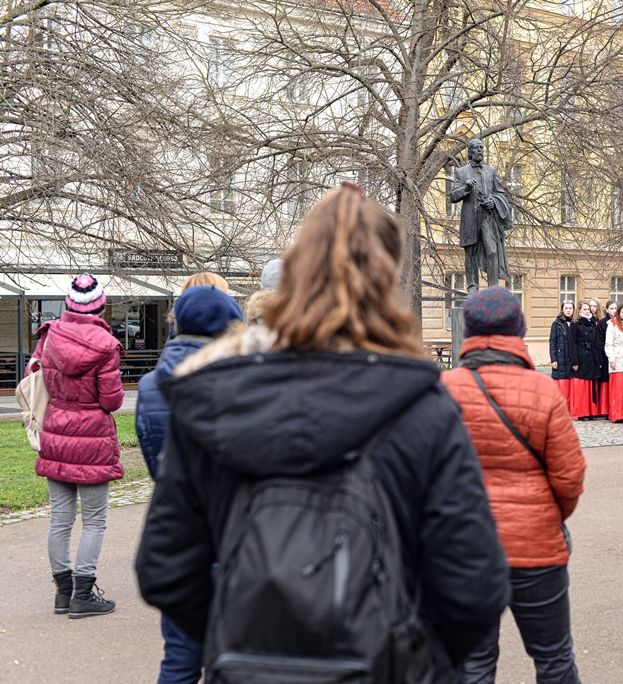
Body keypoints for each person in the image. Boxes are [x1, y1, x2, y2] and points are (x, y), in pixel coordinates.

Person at [135, 185, 510, 681]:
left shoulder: (218, 395)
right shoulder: (422, 404)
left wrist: (238, 638)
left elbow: (166, 567)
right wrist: (411, 654)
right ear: (385, 278)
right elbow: (474, 581)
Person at [442, 286, 587, 684]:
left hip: (465, 547)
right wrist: (548, 515)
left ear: (469, 329)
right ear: (519, 330)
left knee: (472, 663)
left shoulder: (444, 390)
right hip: (536, 548)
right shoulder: (543, 390)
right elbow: (570, 476)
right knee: (554, 658)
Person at [135, 285, 243, 684]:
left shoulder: (150, 385)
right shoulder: (242, 380)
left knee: (179, 656)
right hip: (234, 535)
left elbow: (153, 454)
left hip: (180, 529)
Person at [32, 273, 124, 619]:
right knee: (95, 520)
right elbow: (112, 400)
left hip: (56, 431)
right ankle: (83, 594)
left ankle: (63, 592)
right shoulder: (105, 345)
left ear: (69, 304)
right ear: (100, 304)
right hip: (92, 438)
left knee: (60, 518)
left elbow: (37, 374)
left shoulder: (50, 335)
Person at [449, 138, 512, 291]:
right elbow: (453, 196)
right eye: (476, 148)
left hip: (487, 218)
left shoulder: (491, 171)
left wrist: (494, 202)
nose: (480, 151)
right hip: (470, 219)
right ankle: (472, 286)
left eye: (481, 148)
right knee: (470, 253)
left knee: (492, 250)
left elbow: (501, 193)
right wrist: (466, 188)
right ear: (470, 152)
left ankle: (493, 287)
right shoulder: (461, 172)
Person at [569, 300, 602, 420]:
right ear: (579, 310)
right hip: (581, 356)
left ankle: (591, 412)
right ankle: (582, 413)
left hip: (592, 357)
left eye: (588, 309)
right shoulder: (575, 323)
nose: (587, 311)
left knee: (591, 387)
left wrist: (598, 360)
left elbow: (597, 342)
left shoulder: (593, 323)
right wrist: (574, 361)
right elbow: (572, 343)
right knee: (582, 387)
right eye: (585, 309)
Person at [605, 304, 623, 423]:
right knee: (618, 390)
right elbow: (609, 343)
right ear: (619, 312)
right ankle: (618, 414)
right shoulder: (612, 324)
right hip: (617, 359)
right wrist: (611, 359)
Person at [549, 301, 575, 408]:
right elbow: (552, 343)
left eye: (570, 308)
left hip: (572, 358)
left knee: (571, 386)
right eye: (566, 308)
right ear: (562, 310)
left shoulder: (575, 323)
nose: (568, 310)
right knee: (562, 386)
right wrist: (553, 359)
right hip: (560, 359)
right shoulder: (556, 324)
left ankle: (570, 408)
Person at [592, 298, 612, 417]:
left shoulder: (600, 321)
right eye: (590, 306)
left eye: (594, 306)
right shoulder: (601, 323)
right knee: (601, 380)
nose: (592, 308)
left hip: (607, 355)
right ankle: (600, 408)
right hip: (600, 354)